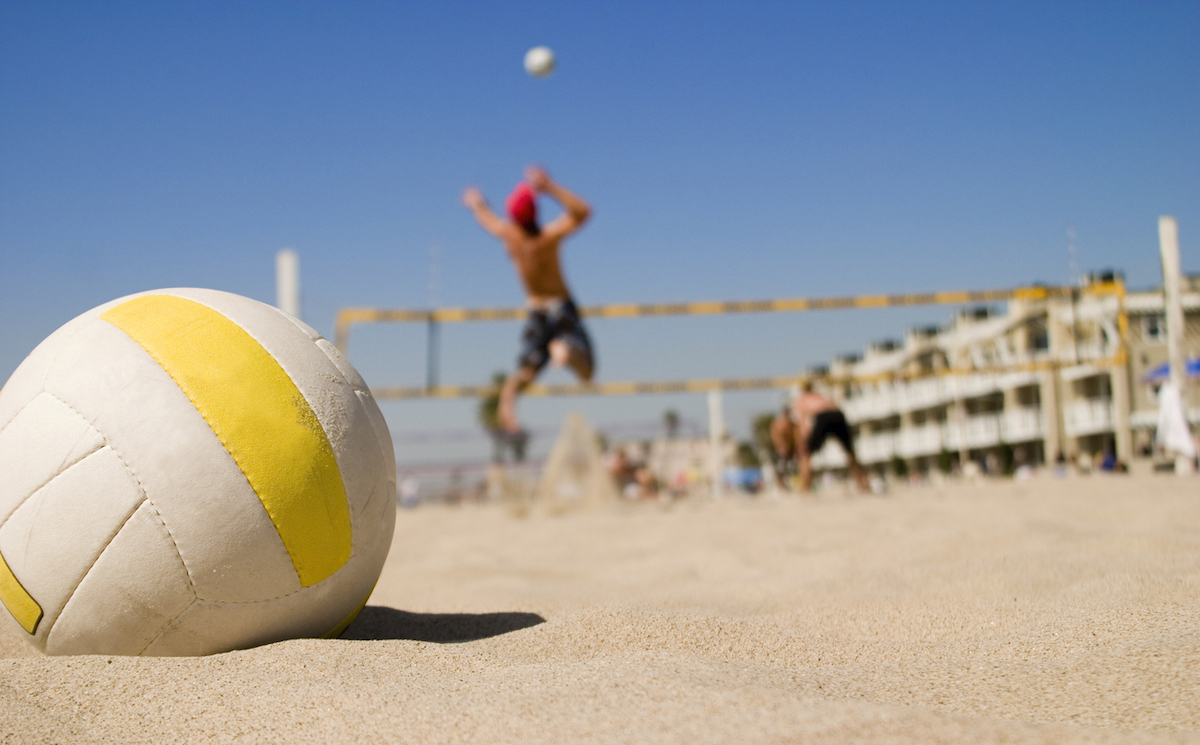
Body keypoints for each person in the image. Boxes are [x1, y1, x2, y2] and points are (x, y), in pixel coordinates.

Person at [462, 166, 594, 433]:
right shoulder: (548, 237)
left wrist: (477, 204)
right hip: (560, 307)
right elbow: (583, 212)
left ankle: (508, 401)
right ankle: (565, 350)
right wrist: (550, 187)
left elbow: (487, 220)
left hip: (536, 311)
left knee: (526, 371)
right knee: (586, 371)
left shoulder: (511, 237)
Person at [791, 382, 870, 492]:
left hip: (823, 417)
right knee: (850, 452)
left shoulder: (802, 400)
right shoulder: (821, 396)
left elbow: (802, 422)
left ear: (802, 390)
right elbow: (835, 405)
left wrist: (803, 441)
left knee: (806, 454)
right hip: (838, 415)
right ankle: (861, 483)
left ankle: (805, 488)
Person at [768, 405, 798, 490]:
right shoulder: (778, 423)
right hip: (782, 449)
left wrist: (795, 448)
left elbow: (796, 436)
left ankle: (788, 485)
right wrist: (780, 446)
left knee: (790, 468)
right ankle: (781, 486)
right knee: (781, 468)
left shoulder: (792, 423)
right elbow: (775, 436)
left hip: (791, 448)